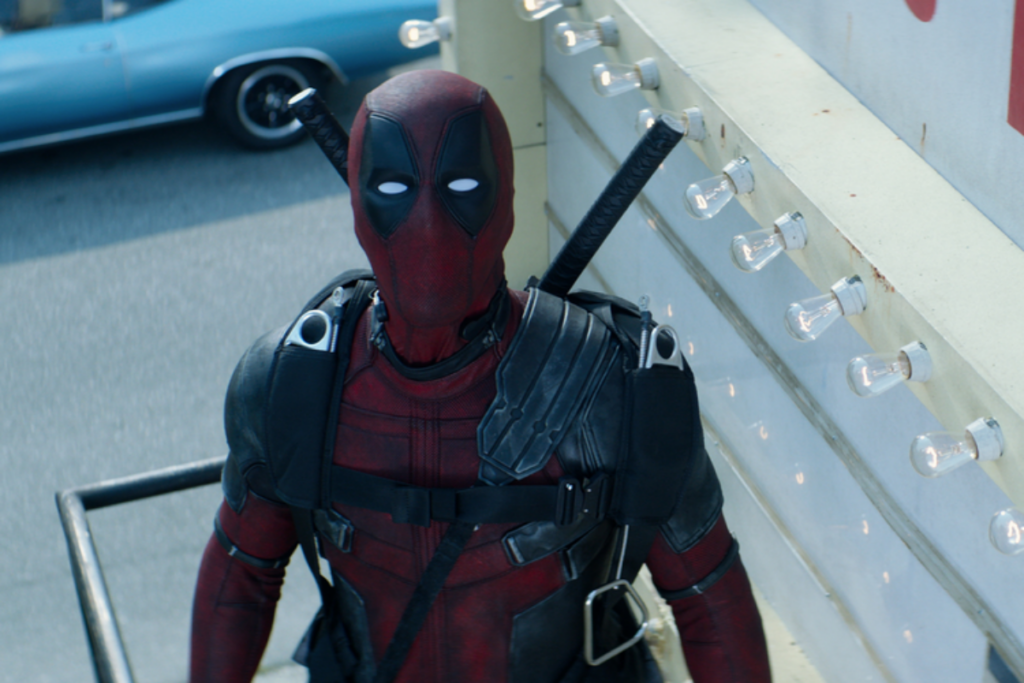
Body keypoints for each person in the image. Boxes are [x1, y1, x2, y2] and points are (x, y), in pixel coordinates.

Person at [189, 69, 771, 683]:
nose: (428, 222)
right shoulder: (293, 383)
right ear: (358, 206)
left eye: (462, 186)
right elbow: (241, 572)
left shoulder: (617, 387)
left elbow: (709, 597)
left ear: (505, 199)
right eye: (393, 187)